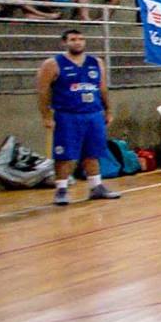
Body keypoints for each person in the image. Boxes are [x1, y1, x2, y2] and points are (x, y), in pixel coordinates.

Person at [36, 28, 118, 206]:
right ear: (64, 43)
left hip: (93, 113)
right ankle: (61, 190)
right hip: (68, 115)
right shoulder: (53, 63)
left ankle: (96, 187)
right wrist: (46, 115)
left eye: (81, 39)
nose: (78, 42)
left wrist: (108, 110)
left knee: (93, 152)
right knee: (65, 155)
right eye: (73, 39)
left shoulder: (96, 62)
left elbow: (103, 88)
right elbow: (43, 91)